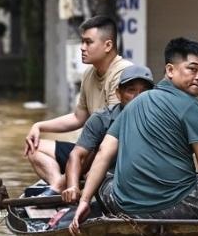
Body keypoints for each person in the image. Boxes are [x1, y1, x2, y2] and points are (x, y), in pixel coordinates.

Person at [68, 37, 198, 236]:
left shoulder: (132, 104)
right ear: (170, 70)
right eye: (192, 69)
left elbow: (103, 153)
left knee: (106, 179)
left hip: (123, 208)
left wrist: (84, 200)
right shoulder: (191, 106)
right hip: (179, 209)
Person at [24, 15, 132, 193]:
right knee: (34, 147)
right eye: (82, 42)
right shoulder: (89, 74)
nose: (82, 48)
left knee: (86, 157)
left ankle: (63, 184)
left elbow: (110, 136)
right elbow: (78, 117)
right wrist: (39, 126)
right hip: (89, 149)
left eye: (88, 42)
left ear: (108, 45)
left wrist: (73, 171)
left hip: (113, 154)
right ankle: (58, 184)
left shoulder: (123, 74)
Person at [60, 64, 155, 204]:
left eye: (144, 91)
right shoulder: (101, 119)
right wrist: (73, 186)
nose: (138, 97)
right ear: (118, 94)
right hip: (110, 181)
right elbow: (77, 155)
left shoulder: (160, 119)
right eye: (131, 90)